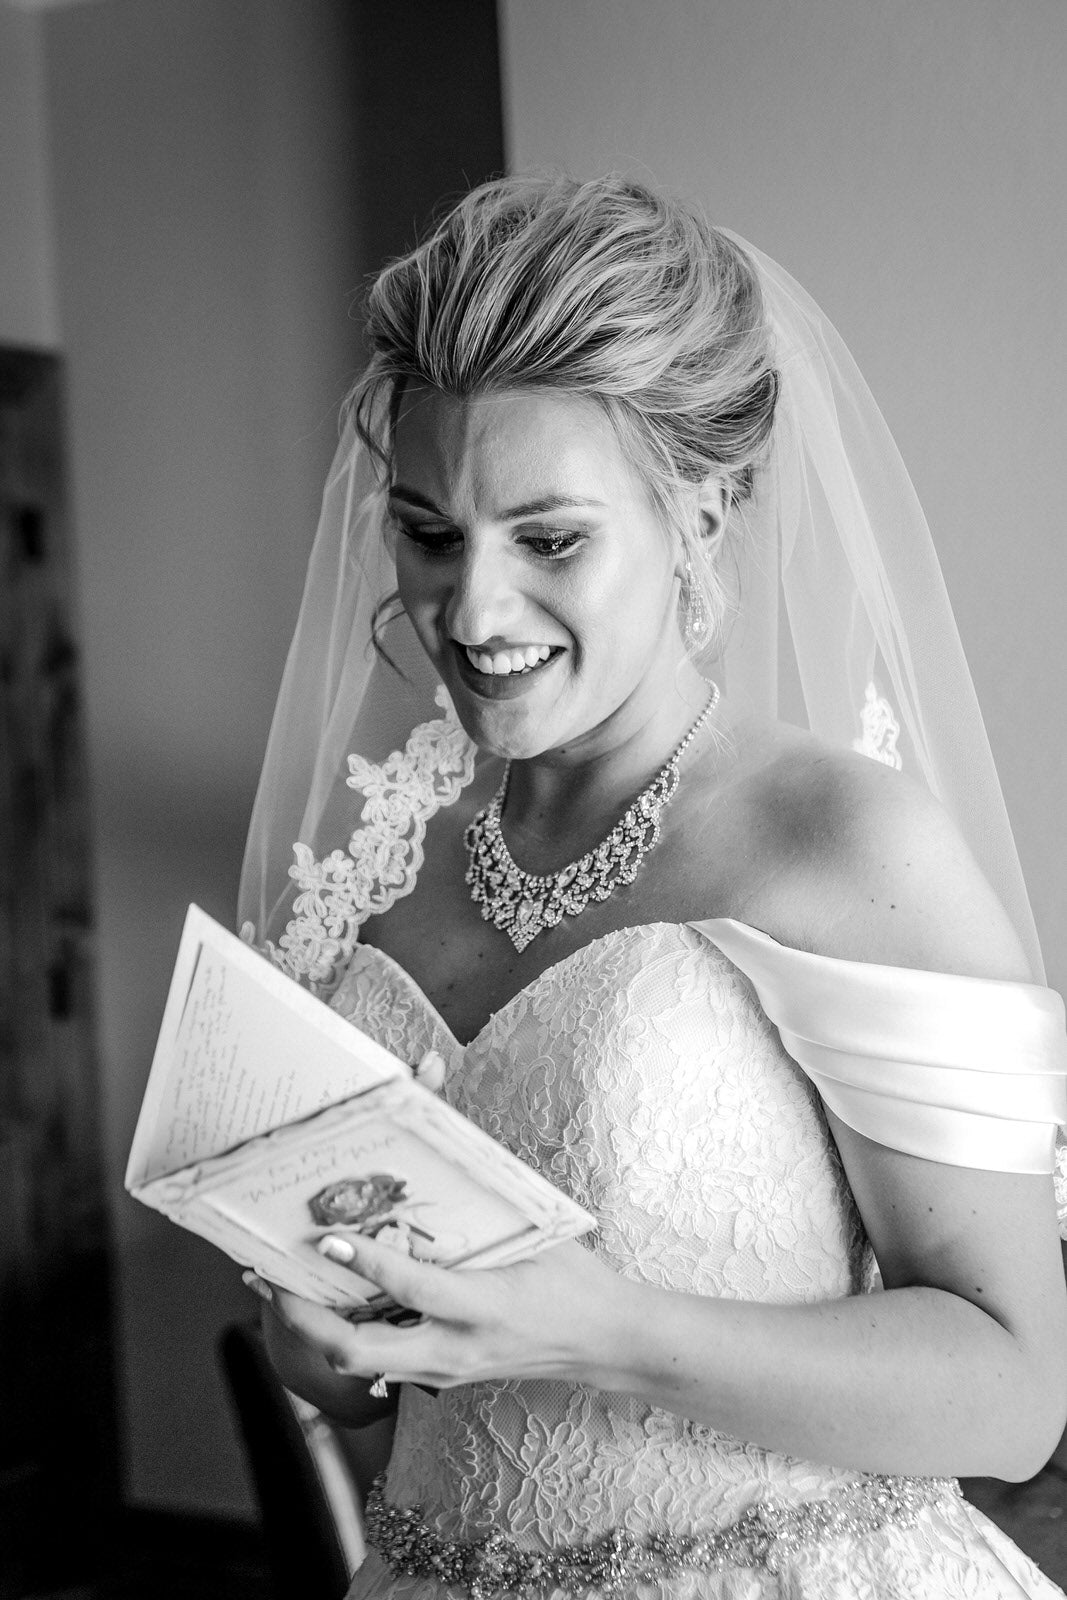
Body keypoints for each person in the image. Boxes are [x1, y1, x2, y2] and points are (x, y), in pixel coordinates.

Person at [238, 175, 1067, 1598]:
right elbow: (353, 1370)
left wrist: (608, 1328)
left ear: (703, 512)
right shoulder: (379, 865)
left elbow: (1014, 1390)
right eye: (431, 532)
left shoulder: (842, 847)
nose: (472, 611)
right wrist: (328, 1348)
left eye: (550, 539)